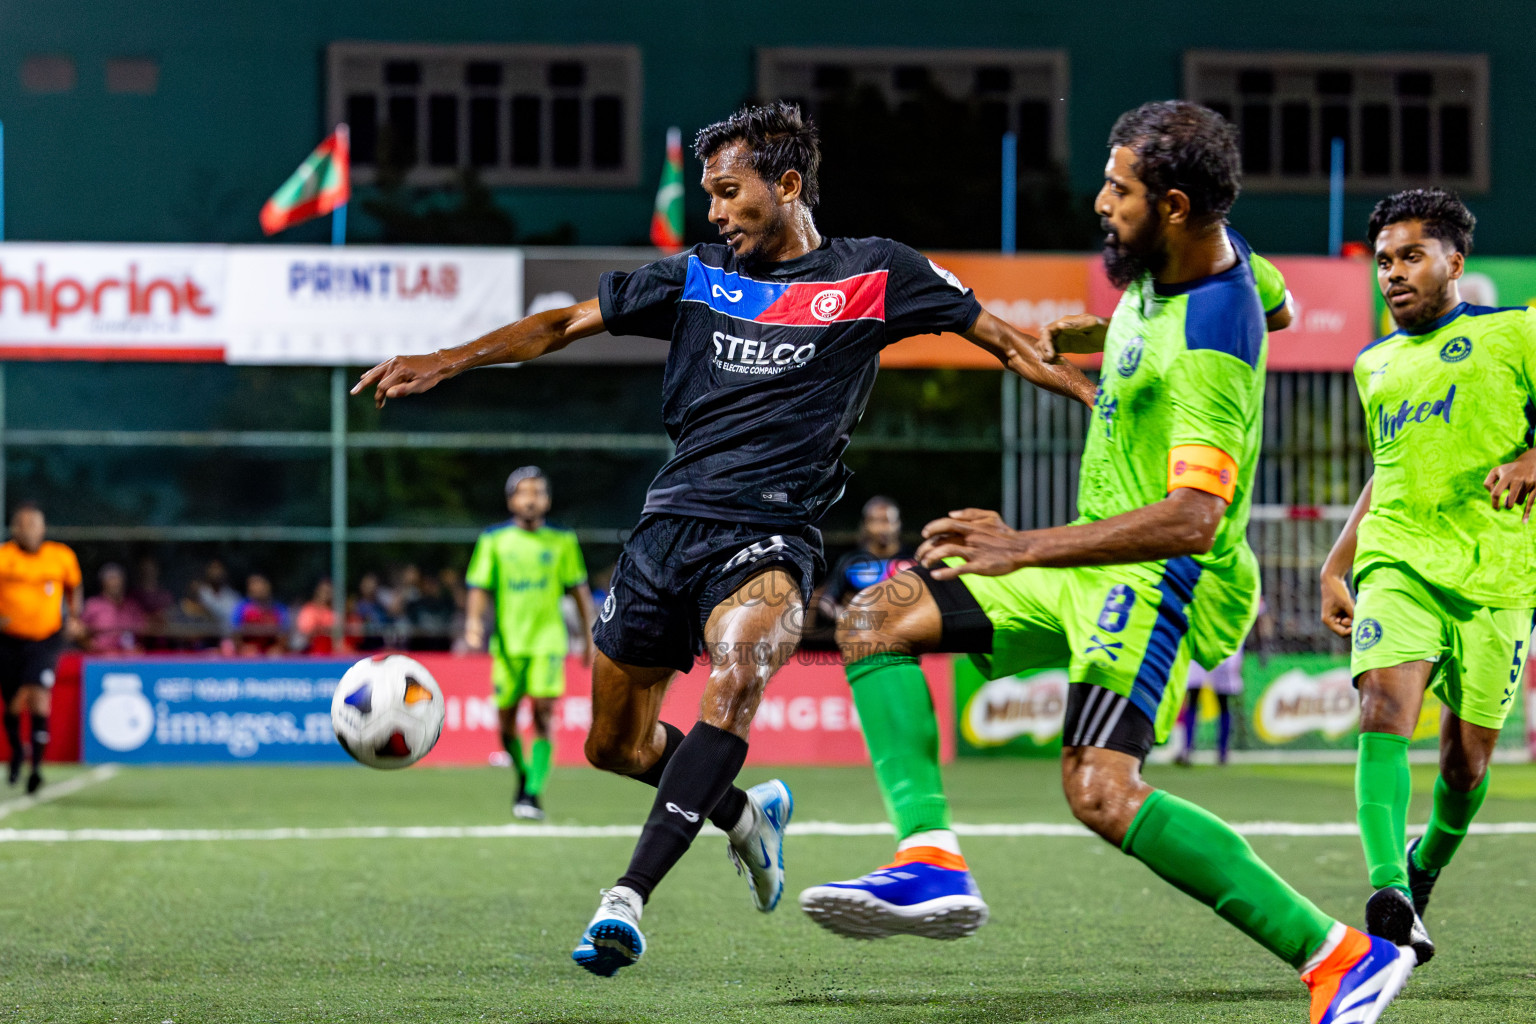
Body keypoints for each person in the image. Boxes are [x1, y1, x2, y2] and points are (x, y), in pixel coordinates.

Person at [354, 101, 1094, 977]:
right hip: (669, 527)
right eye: (709, 194)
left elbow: (1011, 344)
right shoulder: (699, 274)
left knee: (737, 677)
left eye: (728, 191)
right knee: (613, 748)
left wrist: (1103, 400)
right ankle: (745, 816)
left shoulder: (877, 274)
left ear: (785, 186)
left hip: (775, 530)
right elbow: (559, 325)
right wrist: (449, 358)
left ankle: (624, 900)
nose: (714, 211)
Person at [796, 102, 1413, 1024]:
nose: (1098, 201)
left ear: (1169, 204)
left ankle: (1338, 957)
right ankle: (927, 861)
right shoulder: (1205, 249)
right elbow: (1280, 302)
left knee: (1099, 790)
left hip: (1161, 578)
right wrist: (1097, 341)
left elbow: (1195, 519)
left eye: (1116, 189)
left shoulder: (1209, 343)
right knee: (873, 619)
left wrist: (1019, 547)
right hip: (1092, 559)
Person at [1319, 188, 1536, 967]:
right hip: (1399, 562)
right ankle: (1388, 892)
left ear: (1455, 261)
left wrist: (1530, 459)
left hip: (1499, 576)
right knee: (1382, 705)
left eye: (1411, 256)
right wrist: (1337, 561)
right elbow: (1388, 470)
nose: (1393, 274)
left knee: (1465, 764)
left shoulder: (1518, 333)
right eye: (1383, 260)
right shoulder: (1373, 364)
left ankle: (1424, 868)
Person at [464, 467, 597, 820]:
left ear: (547, 500)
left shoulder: (562, 541)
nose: (531, 498)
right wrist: (474, 623)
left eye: (537, 492)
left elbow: (579, 590)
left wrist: (588, 636)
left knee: (543, 711)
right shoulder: (493, 540)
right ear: (511, 500)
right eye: (524, 492)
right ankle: (523, 775)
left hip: (547, 642)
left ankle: (532, 792)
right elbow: (479, 587)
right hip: (507, 645)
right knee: (505, 720)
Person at [0, 503, 82, 793]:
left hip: (46, 639)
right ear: (14, 529)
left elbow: (74, 587)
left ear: (43, 528)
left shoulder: (60, 556)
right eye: (24, 525)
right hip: (8, 641)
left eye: (35, 524)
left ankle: (35, 768)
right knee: (12, 703)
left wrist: (73, 617)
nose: (30, 530)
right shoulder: (4, 557)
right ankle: (17, 753)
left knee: (36, 695)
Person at [807, 496, 916, 645]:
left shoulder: (913, 559)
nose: (883, 528)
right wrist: (848, 618)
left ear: (899, 524)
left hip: (908, 638)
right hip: (863, 642)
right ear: (865, 524)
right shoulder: (851, 561)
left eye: (888, 521)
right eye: (876, 521)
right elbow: (827, 601)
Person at [79, 563, 147, 654]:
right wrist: (94, 648)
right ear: (103, 582)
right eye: (112, 579)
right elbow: (78, 632)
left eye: (118, 579)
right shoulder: (93, 605)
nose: (116, 583)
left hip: (130, 660)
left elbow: (144, 632)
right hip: (100, 660)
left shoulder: (132, 606)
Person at [231, 574, 288, 655]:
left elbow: (284, 633)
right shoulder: (241, 608)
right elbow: (235, 633)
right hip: (248, 648)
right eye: (254, 585)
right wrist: (243, 646)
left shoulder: (278, 608)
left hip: (271, 648)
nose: (258, 588)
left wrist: (277, 647)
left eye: (261, 585)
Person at [293, 578, 350, 655]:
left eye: (329, 592)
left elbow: (338, 632)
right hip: (310, 650)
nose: (327, 595)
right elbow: (305, 632)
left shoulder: (333, 612)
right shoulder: (308, 610)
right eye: (324, 591)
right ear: (317, 592)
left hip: (331, 651)